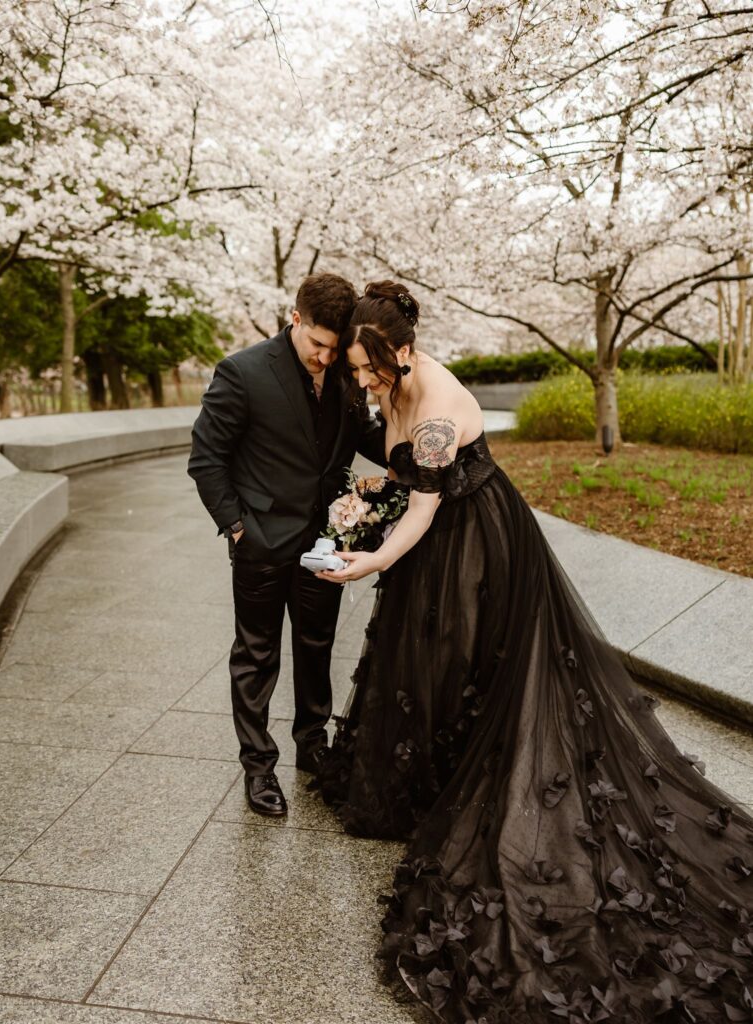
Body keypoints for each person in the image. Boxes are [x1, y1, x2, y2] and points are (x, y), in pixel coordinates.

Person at [314, 280, 753, 1023]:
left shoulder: (438, 409)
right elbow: (402, 481)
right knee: (421, 660)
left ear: (404, 352)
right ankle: (430, 778)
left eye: (369, 369)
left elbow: (425, 504)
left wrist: (368, 560)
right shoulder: (393, 386)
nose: (361, 381)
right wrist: (364, 497)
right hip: (435, 533)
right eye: (356, 369)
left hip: (476, 541)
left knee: (461, 657)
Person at [188, 273, 386, 818]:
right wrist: (236, 527)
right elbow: (206, 459)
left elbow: (361, 435)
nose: (325, 357)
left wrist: (413, 443)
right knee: (256, 655)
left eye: (333, 346)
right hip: (260, 541)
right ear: (294, 318)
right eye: (316, 343)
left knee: (318, 643)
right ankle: (258, 766)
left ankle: (312, 745)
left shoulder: (345, 372)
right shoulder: (243, 371)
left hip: (325, 539)